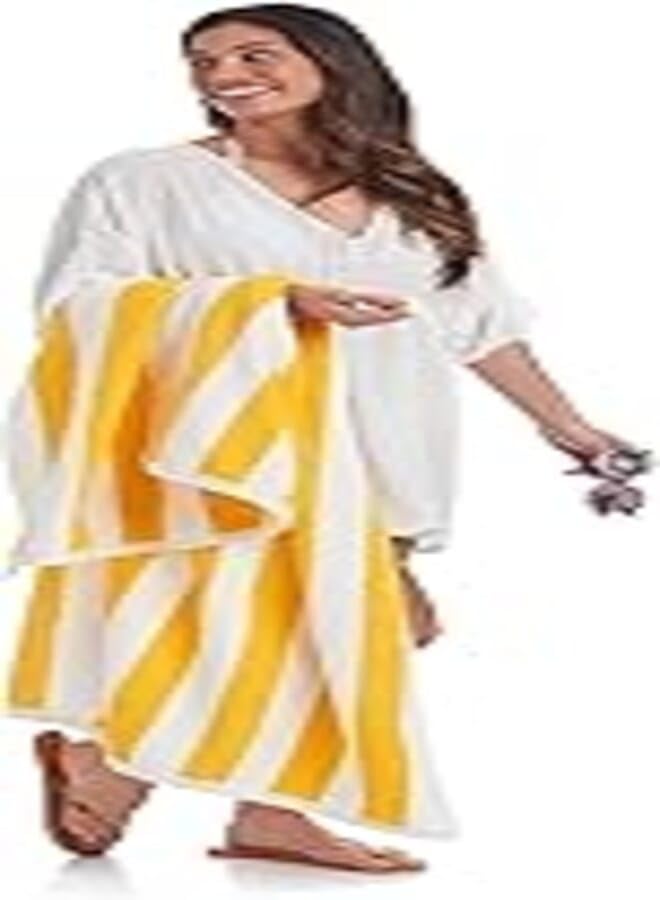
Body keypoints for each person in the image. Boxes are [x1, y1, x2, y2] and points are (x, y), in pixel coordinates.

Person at [5, 3, 636, 873]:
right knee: (280, 626)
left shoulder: (414, 192)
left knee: (350, 629)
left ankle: (151, 780)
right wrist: (271, 303)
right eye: (205, 61)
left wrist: (569, 427)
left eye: (253, 54)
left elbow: (478, 326)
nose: (224, 74)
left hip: (387, 446)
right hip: (241, 452)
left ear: (332, 62)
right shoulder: (145, 182)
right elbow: (77, 304)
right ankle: (189, 790)